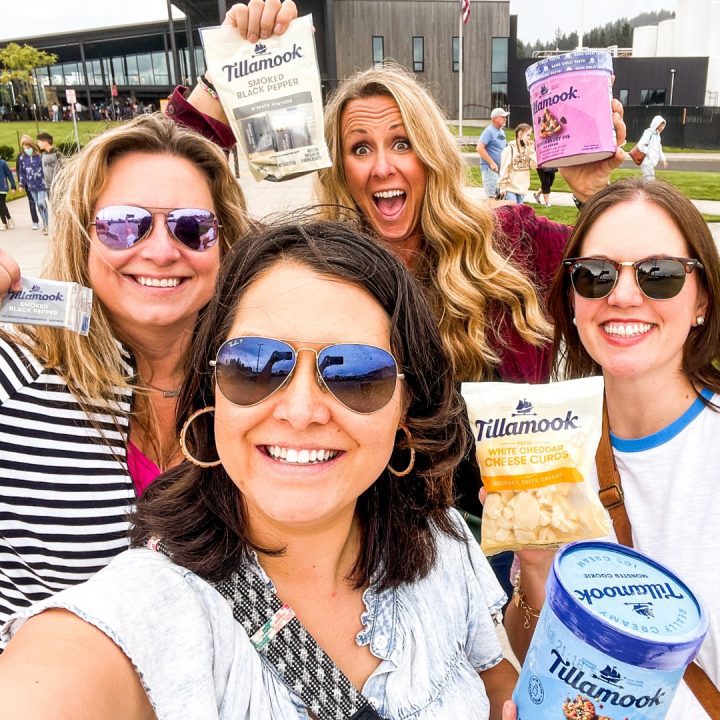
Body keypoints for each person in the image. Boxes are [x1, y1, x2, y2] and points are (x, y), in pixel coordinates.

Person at [0, 220, 520, 720]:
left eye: (357, 375)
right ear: (213, 393)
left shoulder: (439, 537)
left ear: (405, 408)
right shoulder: (149, 613)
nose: (300, 411)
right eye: (255, 365)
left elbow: (495, 686)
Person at [0, 113, 251, 636]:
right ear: (82, 238)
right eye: (122, 225)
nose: (160, 251)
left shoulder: (259, 382)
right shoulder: (16, 373)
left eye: (192, 227)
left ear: (224, 245)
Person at [509, 177, 719, 720]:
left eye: (660, 274)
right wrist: (534, 565)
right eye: (597, 274)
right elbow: (528, 647)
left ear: (702, 301)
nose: (624, 296)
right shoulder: (553, 442)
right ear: (573, 301)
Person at [497, 123, 536, 204]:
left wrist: (531, 151)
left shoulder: (528, 150)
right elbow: (504, 169)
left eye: (530, 135)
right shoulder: (509, 149)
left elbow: (534, 166)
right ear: (520, 134)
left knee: (519, 214)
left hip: (522, 189)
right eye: (528, 135)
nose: (530, 138)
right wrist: (502, 187)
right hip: (510, 188)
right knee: (514, 212)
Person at [476, 107, 510, 199]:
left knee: (500, 197)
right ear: (495, 119)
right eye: (502, 117)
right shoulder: (489, 131)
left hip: (500, 170)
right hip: (490, 170)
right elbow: (479, 148)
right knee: (493, 197)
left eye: (505, 117)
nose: (505, 119)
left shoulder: (502, 132)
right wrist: (491, 163)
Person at [15, 135, 43, 231]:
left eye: (27, 147)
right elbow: (20, 170)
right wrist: (21, 183)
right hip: (28, 183)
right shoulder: (21, 157)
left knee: (41, 203)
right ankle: (35, 221)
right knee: (32, 202)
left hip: (38, 182)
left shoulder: (38, 155)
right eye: (24, 147)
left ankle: (45, 218)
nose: (26, 149)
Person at [637, 114, 668, 181]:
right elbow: (640, 145)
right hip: (646, 161)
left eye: (663, 126)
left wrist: (663, 159)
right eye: (661, 125)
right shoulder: (648, 133)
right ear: (656, 124)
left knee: (648, 180)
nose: (662, 128)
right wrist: (648, 153)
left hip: (651, 161)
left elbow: (659, 148)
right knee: (650, 180)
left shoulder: (657, 135)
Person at [0, 157, 16, 230]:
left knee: (1, 204)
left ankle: (9, 219)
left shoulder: (3, 163)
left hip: (2, 187)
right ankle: (4, 223)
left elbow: (9, 174)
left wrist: (13, 186)